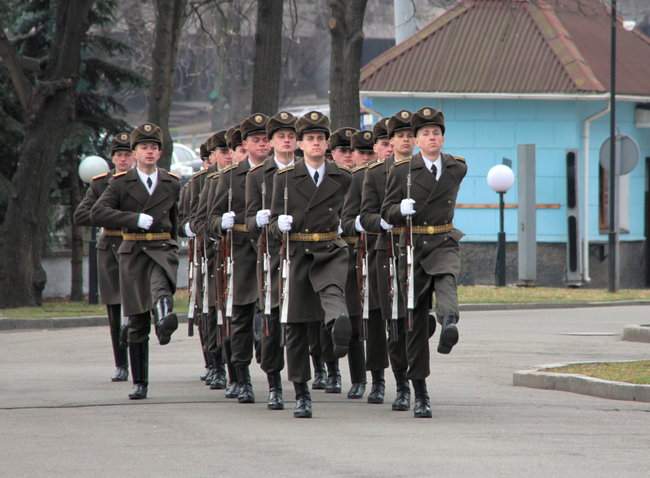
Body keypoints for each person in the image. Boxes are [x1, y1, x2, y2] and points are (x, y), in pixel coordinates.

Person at [381, 107, 467, 418]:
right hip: (412, 247)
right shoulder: (402, 172)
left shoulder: (456, 168)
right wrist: (398, 210)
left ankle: (449, 323)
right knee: (414, 323)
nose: (432, 138)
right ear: (416, 140)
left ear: (443, 138)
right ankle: (420, 392)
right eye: (426, 134)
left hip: (443, 240)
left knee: (447, 278)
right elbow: (386, 211)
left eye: (437, 133)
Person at [269, 111, 352, 418]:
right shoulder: (286, 178)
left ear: (327, 144)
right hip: (298, 251)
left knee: (333, 292)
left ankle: (337, 325)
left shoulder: (342, 178)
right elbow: (271, 226)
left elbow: (351, 210)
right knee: (296, 327)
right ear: (301, 144)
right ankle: (302, 392)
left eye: (321, 139)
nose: (316, 143)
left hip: (329, 247)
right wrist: (280, 224)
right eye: (311, 139)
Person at [91, 122, 181, 400]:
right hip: (133, 251)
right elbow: (98, 212)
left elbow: (179, 216)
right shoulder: (120, 183)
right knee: (137, 319)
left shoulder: (171, 182)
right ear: (134, 152)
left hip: (161, 246)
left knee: (160, 286)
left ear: (160, 152)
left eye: (154, 147)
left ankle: (165, 316)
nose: (149, 152)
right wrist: (132, 219)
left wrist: (181, 236)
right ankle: (140, 381)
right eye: (144, 148)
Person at [210, 114, 271, 404]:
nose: (261, 144)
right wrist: (221, 222)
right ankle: (242, 377)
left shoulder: (279, 172)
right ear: (244, 144)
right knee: (243, 318)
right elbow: (205, 219)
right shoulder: (230, 177)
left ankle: (274, 379)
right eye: (255, 140)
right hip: (242, 254)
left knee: (271, 317)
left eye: (264, 139)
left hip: (272, 252)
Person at [360, 112, 413, 411]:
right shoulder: (375, 173)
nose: (405, 140)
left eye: (410, 134)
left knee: (413, 321)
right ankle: (394, 382)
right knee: (388, 321)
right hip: (386, 252)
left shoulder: (423, 168)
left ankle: (413, 378)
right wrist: (383, 222)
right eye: (398, 136)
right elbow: (364, 214)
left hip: (418, 252)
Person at [245, 110, 297, 410]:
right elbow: (249, 221)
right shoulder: (258, 175)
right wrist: (259, 220)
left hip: (302, 253)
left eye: (291, 136)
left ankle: (303, 376)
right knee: (273, 320)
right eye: (281, 137)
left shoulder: (309, 170)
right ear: (273, 142)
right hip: (272, 256)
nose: (286, 141)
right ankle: (275, 384)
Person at [73, 132, 134, 382]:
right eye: (119, 155)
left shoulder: (138, 182)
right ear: (112, 158)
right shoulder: (100, 184)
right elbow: (81, 215)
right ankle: (121, 363)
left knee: (137, 305)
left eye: (127, 155)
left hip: (134, 245)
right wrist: (110, 216)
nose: (123, 159)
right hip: (109, 246)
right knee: (114, 308)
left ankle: (137, 357)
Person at [340, 130, 379, 400]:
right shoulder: (352, 180)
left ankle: (378, 380)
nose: (365, 158)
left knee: (377, 321)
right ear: (352, 155)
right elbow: (345, 221)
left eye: (369, 153)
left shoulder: (383, 176)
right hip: (355, 255)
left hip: (379, 254)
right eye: (360, 153)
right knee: (355, 319)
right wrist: (358, 224)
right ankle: (358, 378)